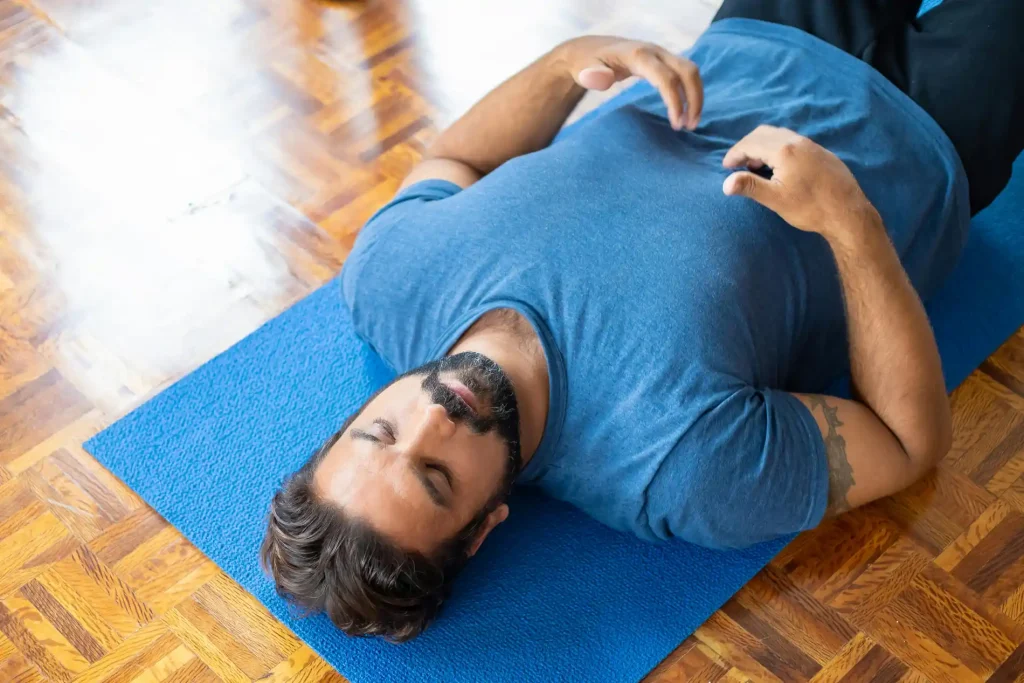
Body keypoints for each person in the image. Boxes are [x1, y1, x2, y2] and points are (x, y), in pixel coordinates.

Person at [261, 0, 1024, 641]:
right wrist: (850, 220)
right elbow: (907, 444)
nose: (433, 419)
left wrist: (570, 65)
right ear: (485, 524)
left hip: (763, 30)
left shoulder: (388, 279)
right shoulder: (679, 469)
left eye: (381, 432)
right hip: (921, 137)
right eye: (435, 476)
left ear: (352, 418)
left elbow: (455, 159)